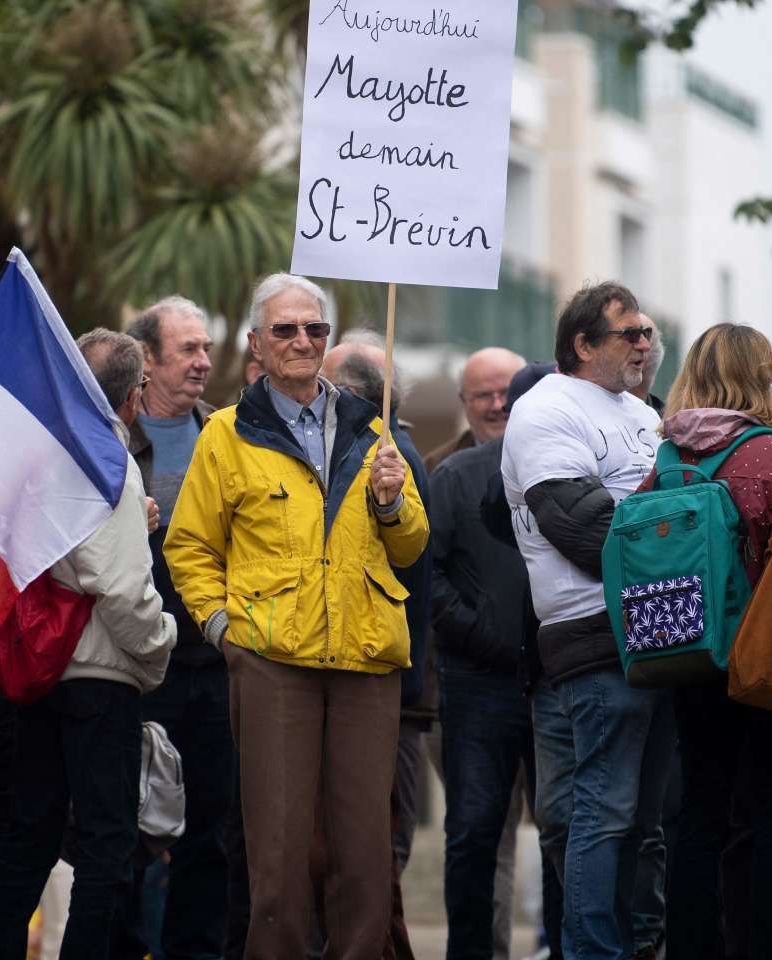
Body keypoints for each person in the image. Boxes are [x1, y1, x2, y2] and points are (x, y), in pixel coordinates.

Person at [163, 273, 429, 960]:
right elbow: (189, 546)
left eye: (314, 328)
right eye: (285, 329)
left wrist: (394, 501)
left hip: (367, 658)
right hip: (272, 662)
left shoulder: (373, 427)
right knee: (277, 859)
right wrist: (224, 631)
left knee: (365, 856)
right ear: (256, 342)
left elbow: (411, 545)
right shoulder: (226, 434)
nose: (303, 340)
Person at [0, 330, 177, 960]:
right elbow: (117, 587)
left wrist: (131, 526)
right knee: (105, 850)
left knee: (21, 844)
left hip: (33, 680)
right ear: (134, 397)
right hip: (99, 681)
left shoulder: (37, 457)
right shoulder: (104, 458)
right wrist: (161, 642)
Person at [657, 323, 772, 959]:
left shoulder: (667, 457)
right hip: (771, 655)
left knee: (701, 815)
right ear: (762, 377)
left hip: (689, 654)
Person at [501, 281, 671, 960]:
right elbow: (583, 531)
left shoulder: (640, 410)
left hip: (661, 632)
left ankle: (635, 947)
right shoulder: (546, 410)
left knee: (643, 825)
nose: (644, 342)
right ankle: (591, 952)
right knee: (603, 815)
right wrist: (680, 547)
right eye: (628, 332)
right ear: (582, 343)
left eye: (647, 332)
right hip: (596, 639)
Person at [123, 297, 235, 960]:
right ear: (147, 361)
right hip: (140, 671)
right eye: (187, 350)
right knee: (134, 830)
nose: (203, 361)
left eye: (204, 348)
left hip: (216, 664)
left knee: (213, 830)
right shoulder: (112, 440)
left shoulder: (225, 434)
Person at [321, 334, 434, 960]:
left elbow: (408, 572)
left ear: (354, 396)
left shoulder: (391, 458)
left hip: (383, 680)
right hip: (370, 679)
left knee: (372, 844)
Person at [430, 371, 542, 960]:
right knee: (473, 832)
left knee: (571, 831)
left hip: (561, 681)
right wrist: (480, 634)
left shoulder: (581, 474)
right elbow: (429, 574)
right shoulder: (457, 475)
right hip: (477, 685)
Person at [428, 347, 527, 471]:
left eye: (507, 392)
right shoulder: (436, 469)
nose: (497, 406)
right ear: (463, 400)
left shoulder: (555, 452)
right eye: (483, 395)